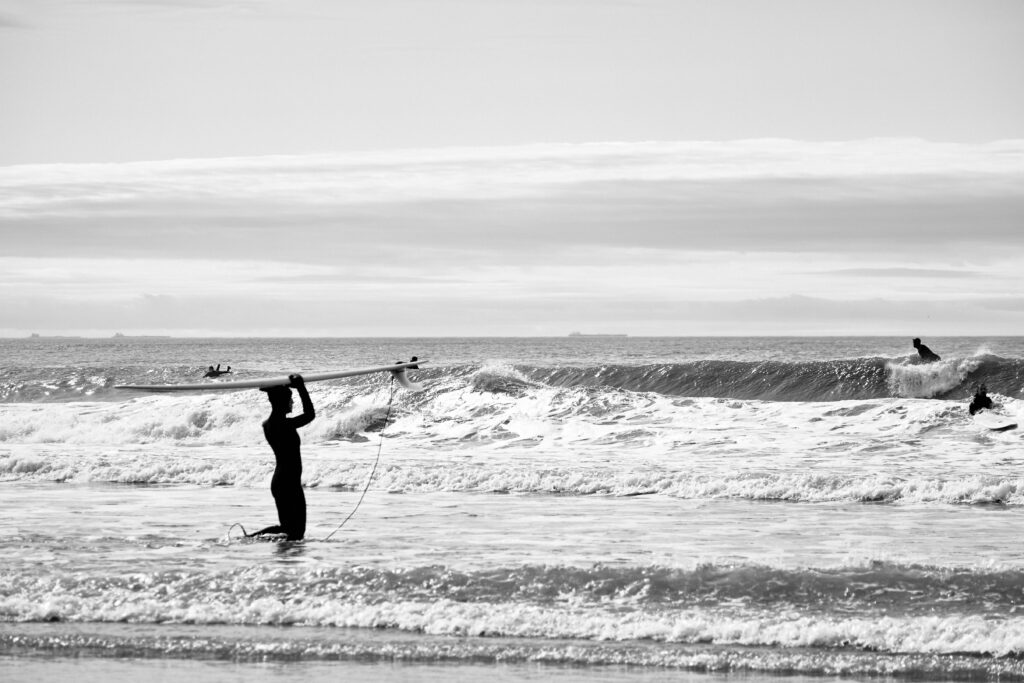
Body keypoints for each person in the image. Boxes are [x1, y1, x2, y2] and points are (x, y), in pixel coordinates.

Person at [248, 375, 315, 541]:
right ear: (281, 402)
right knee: (296, 532)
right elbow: (310, 414)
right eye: (290, 399)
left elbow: (307, 415)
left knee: (290, 530)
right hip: (288, 483)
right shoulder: (283, 425)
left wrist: (283, 388)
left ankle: (249, 538)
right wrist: (300, 387)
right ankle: (250, 539)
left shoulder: (269, 424)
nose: (292, 403)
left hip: (282, 481)